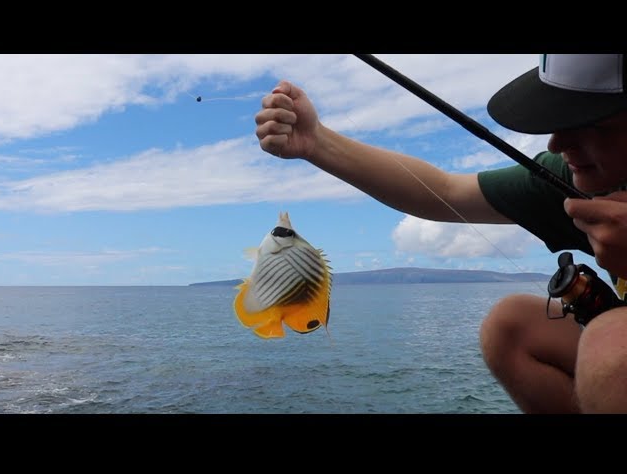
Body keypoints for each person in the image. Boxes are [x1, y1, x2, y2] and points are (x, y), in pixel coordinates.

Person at [254, 54, 627, 414]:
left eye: (592, 123)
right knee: (509, 327)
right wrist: (317, 142)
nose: (557, 144)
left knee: (610, 350)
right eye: (559, 118)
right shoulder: (572, 175)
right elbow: (444, 192)